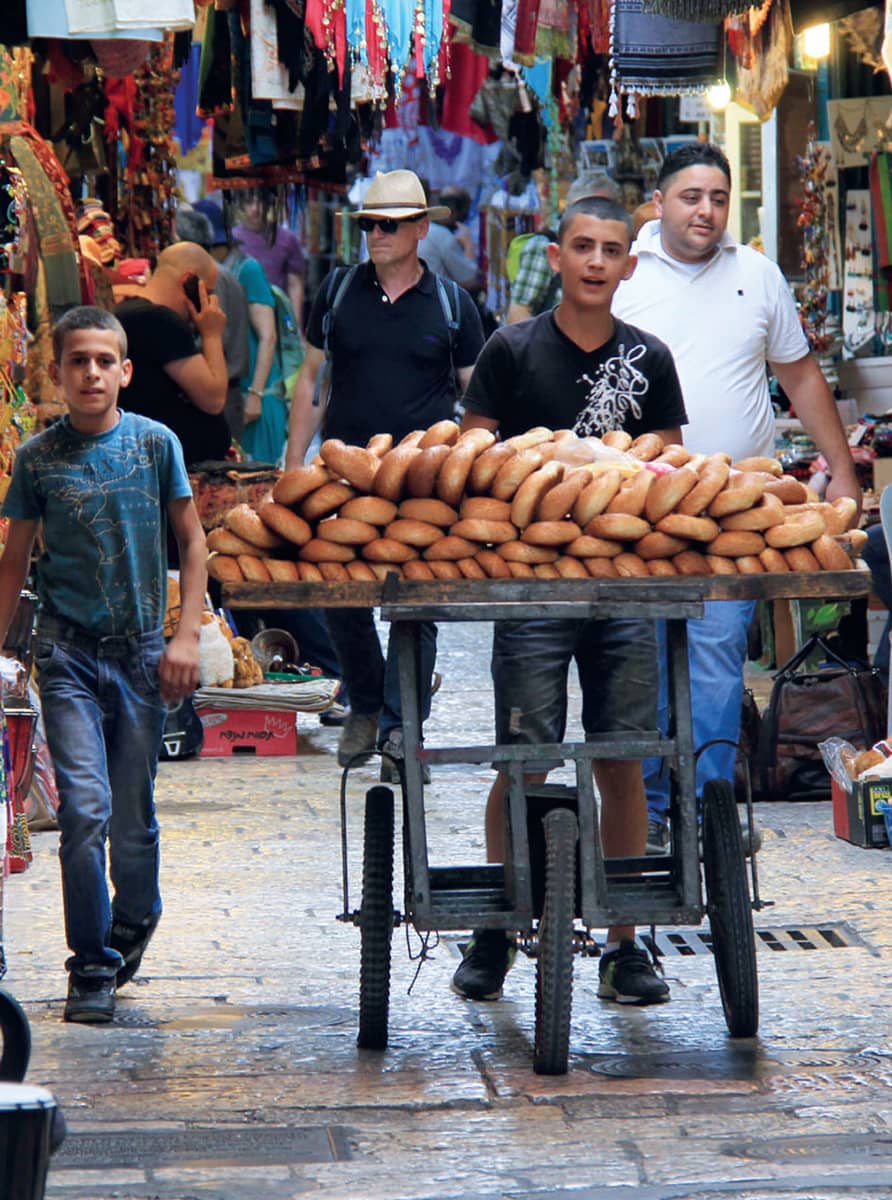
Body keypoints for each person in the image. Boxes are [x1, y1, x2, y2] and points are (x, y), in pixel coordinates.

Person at [453, 195, 687, 1005]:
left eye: (610, 249)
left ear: (629, 263)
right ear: (554, 256)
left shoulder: (650, 358)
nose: (595, 262)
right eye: (581, 246)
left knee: (622, 758)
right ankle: (498, 923)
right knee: (524, 760)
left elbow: (672, 465)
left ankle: (624, 945)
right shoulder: (510, 350)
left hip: (624, 589)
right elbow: (469, 456)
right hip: (530, 593)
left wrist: (627, 459)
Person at [612, 142, 862, 852]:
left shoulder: (756, 273)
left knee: (717, 651)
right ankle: (654, 804)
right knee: (649, 654)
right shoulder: (623, 272)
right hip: (639, 504)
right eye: (691, 197)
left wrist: (840, 471)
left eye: (718, 198)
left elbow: (802, 375)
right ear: (658, 203)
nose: (707, 211)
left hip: (738, 509)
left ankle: (709, 803)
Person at [0, 306, 207, 1023]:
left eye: (102, 361)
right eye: (76, 360)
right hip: (66, 655)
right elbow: (13, 562)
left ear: (125, 371)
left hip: (145, 655)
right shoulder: (37, 459)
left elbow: (192, 542)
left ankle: (135, 917)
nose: (90, 372)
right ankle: (89, 962)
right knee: (85, 810)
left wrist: (185, 638)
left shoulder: (157, 445)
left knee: (133, 820)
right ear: (56, 373)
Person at [284, 169, 485, 776]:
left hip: (423, 478)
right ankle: (367, 703)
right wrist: (292, 464)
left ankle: (403, 731)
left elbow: (476, 398)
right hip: (343, 472)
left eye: (391, 224)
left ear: (421, 229)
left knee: (415, 605)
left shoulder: (453, 305)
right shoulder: (340, 292)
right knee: (341, 598)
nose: (377, 234)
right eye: (370, 223)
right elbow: (311, 383)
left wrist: (473, 468)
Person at [115, 242, 230, 468]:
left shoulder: (131, 311)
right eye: (207, 291)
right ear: (189, 281)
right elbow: (213, 398)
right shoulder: (159, 319)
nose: (208, 300)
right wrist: (212, 334)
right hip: (171, 467)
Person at [194, 200, 286, 465]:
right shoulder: (219, 272)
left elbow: (268, 336)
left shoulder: (247, 269)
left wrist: (256, 395)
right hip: (235, 395)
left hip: (257, 397)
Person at [174, 203, 251, 443]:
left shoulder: (209, 278)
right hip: (223, 393)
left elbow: (216, 340)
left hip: (218, 395)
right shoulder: (219, 274)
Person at [506, 172, 621, 325]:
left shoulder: (621, 251)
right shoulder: (543, 247)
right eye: (589, 210)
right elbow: (519, 314)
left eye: (605, 211)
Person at [233, 190, 306, 331]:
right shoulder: (232, 238)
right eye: (249, 203)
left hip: (277, 316)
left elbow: (295, 284)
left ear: (269, 203)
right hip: (241, 316)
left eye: (260, 202)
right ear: (241, 205)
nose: (255, 208)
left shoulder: (287, 239)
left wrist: (294, 326)